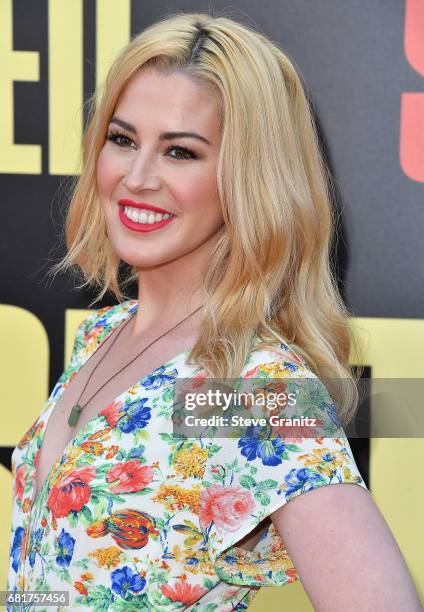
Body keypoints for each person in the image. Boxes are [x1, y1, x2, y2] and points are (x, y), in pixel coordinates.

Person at [8, 11, 421, 612]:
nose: (138, 177)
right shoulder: (103, 332)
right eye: (122, 140)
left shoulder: (242, 383)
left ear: (249, 180)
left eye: (181, 152)